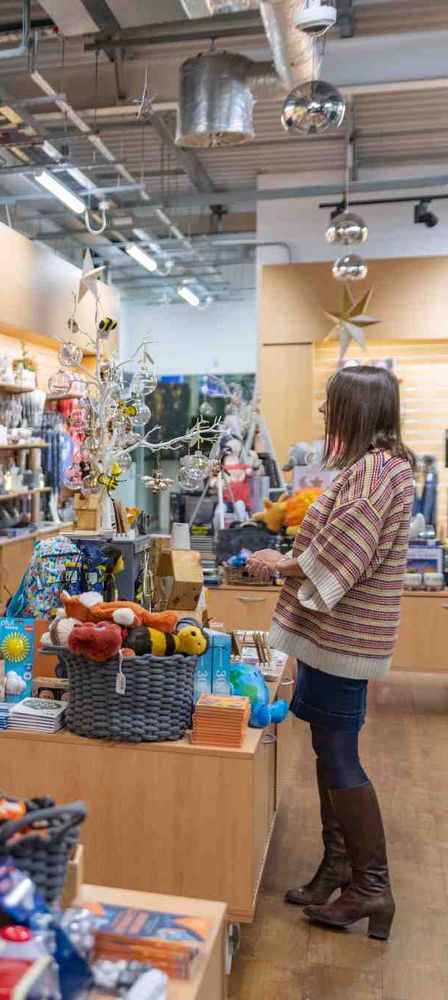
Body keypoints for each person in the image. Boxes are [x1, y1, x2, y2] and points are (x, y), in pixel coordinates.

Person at [247, 365, 414, 940]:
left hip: (342, 635)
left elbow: (343, 554)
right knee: (327, 747)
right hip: (333, 634)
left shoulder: (372, 474)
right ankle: (338, 867)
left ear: (357, 412)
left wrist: (277, 563)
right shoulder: (379, 468)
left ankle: (371, 887)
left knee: (340, 754)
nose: (323, 413)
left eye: (331, 404)